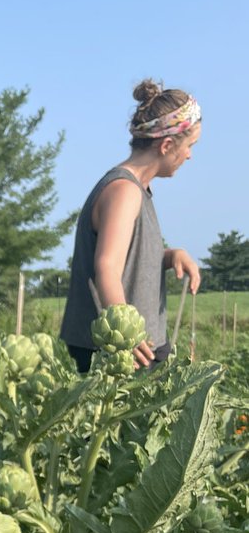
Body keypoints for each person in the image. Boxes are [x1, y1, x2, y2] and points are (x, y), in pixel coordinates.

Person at [60, 79, 202, 372]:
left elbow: (128, 257)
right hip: (115, 356)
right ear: (166, 145)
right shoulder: (124, 191)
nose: (189, 155)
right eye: (190, 146)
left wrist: (170, 255)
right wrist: (127, 338)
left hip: (134, 350)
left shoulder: (136, 188)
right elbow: (107, 268)